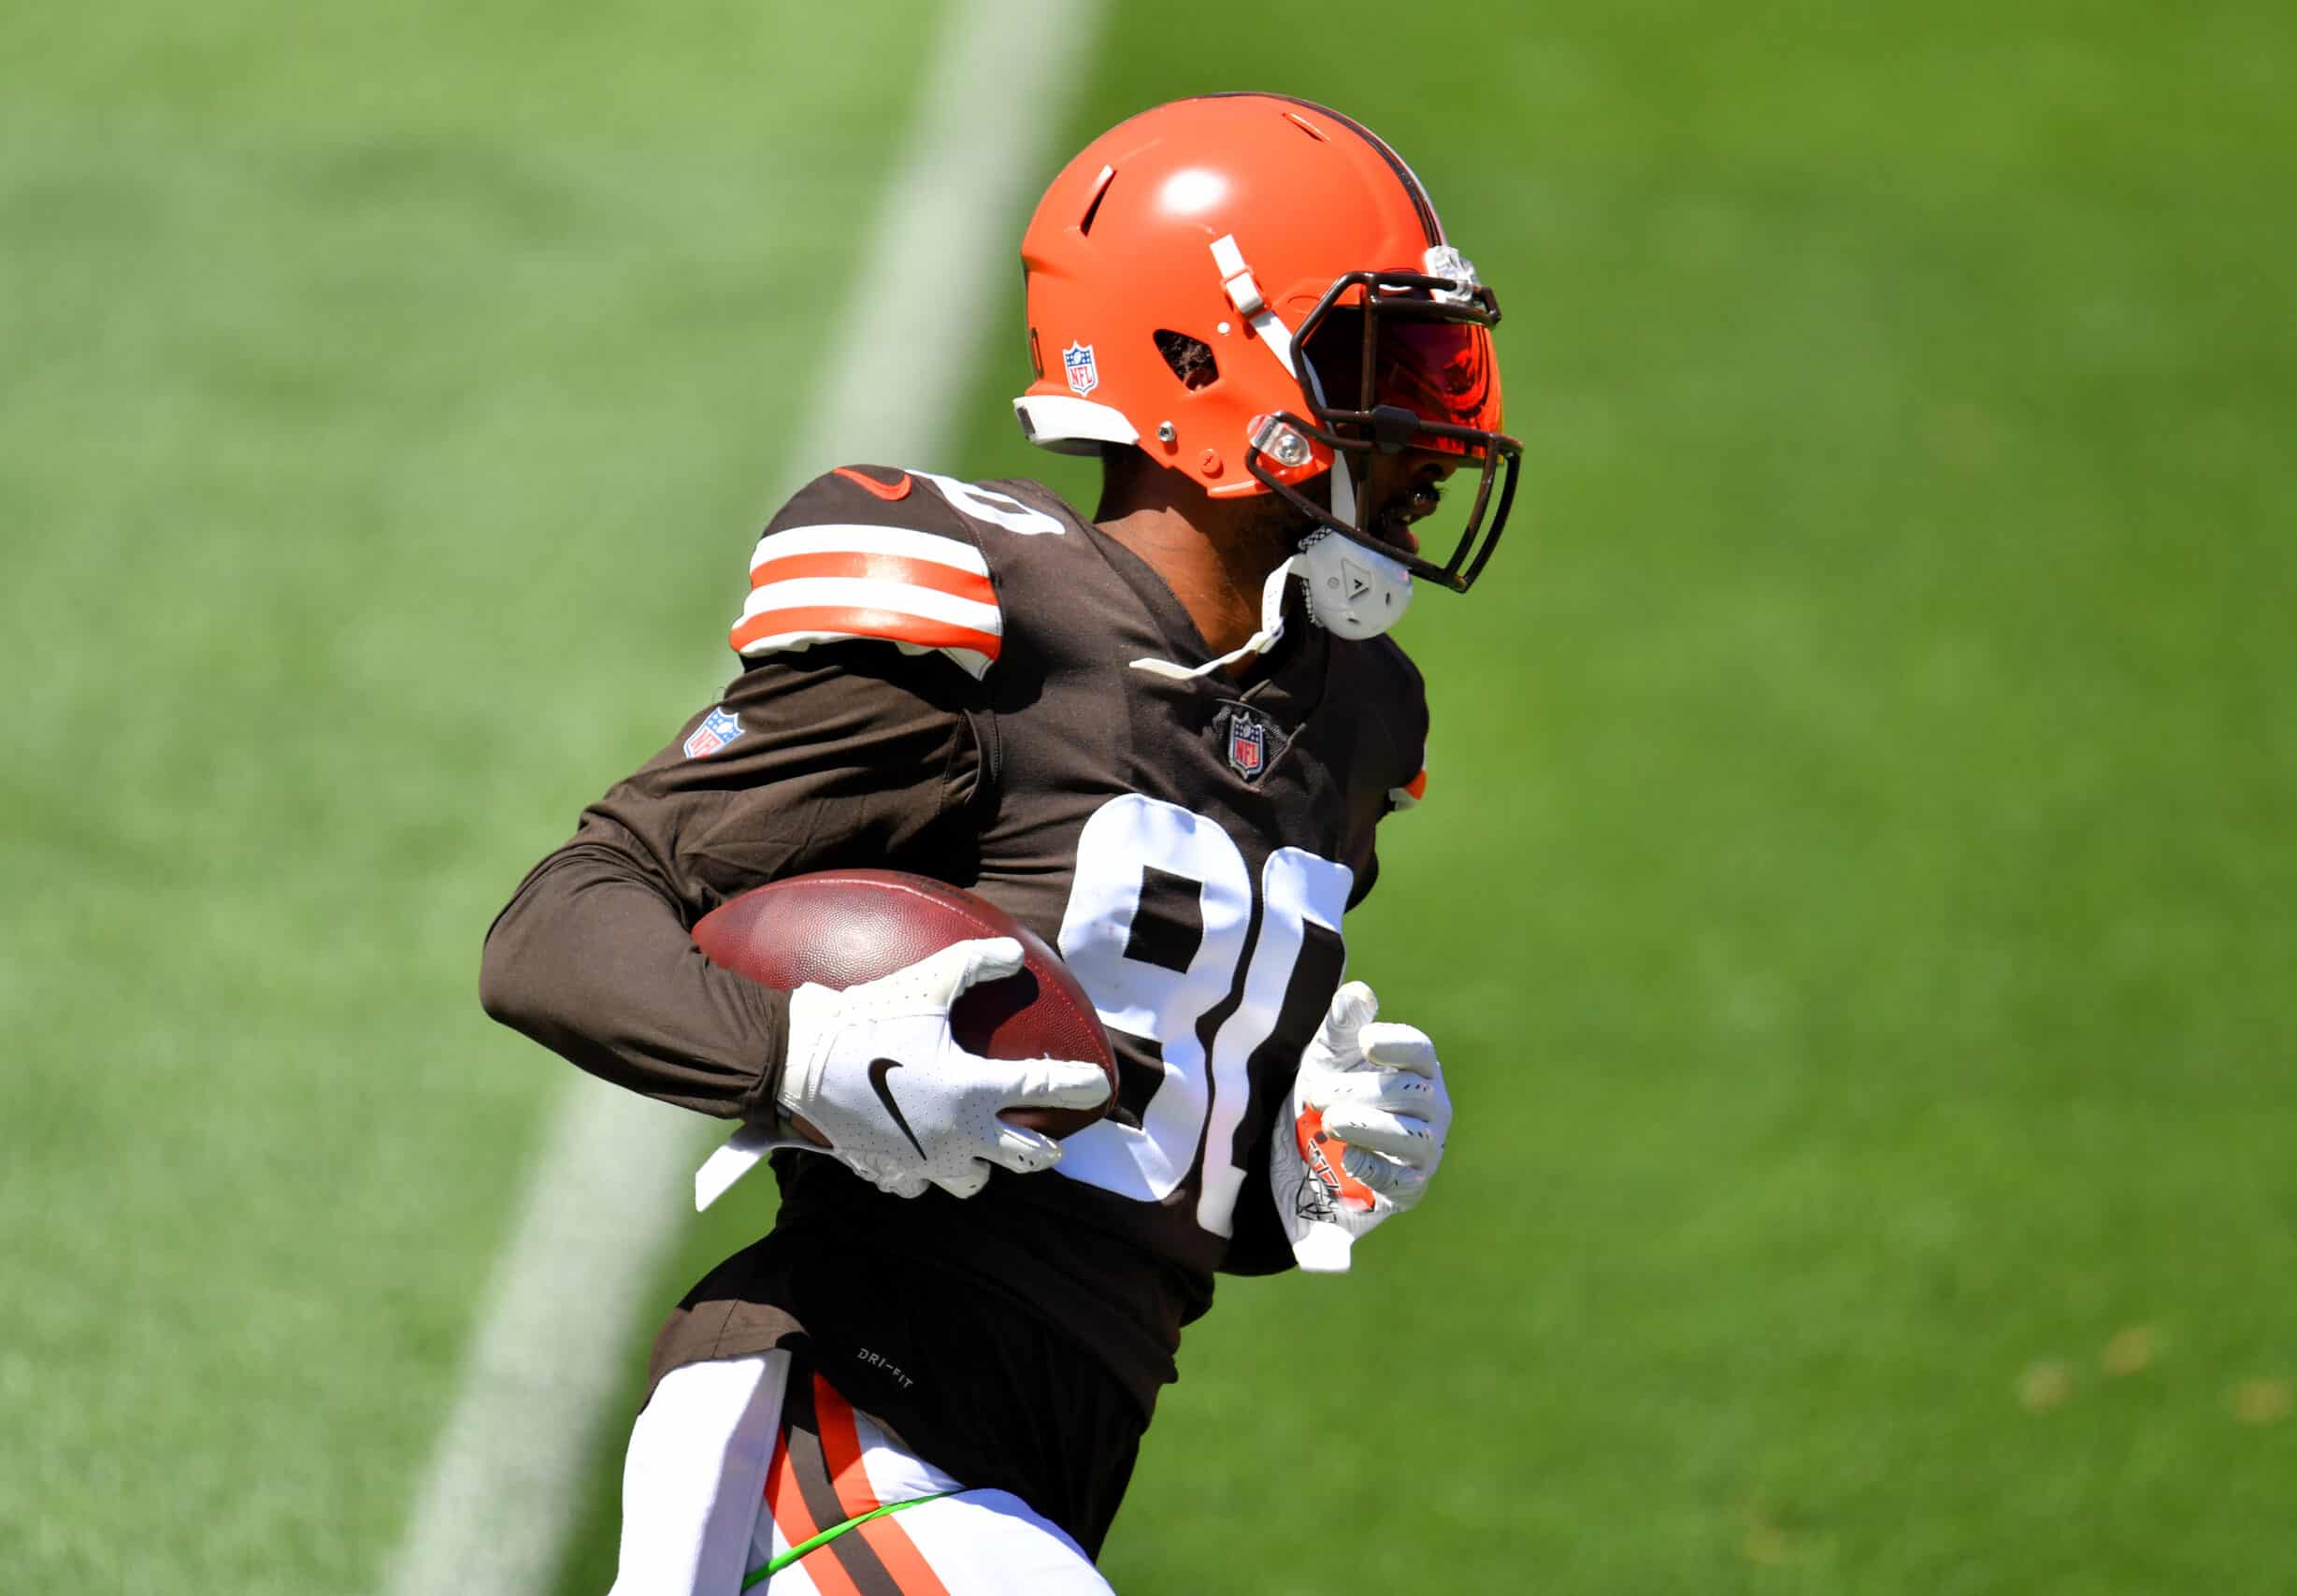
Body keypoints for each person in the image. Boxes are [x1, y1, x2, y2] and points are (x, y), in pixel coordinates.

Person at [481, 92, 1521, 1595]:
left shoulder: (1349, 720)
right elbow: (563, 923)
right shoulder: (1004, 613)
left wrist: (1278, 1145)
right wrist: (800, 1056)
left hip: (1035, 1460)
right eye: (1385, 364)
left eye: (1446, 362)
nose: (1443, 423)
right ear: (1194, 359)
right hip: (830, 1417)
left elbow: (1115, 1162)